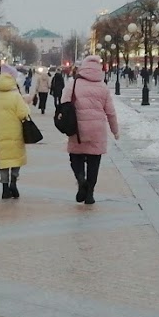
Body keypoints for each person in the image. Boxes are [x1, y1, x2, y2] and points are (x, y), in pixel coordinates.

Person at [64, 54, 120, 206]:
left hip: (77, 129)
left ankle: (81, 179)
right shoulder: (103, 87)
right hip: (97, 130)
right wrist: (115, 130)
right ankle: (90, 194)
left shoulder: (73, 84)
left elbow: (64, 104)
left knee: (75, 157)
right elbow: (111, 112)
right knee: (94, 162)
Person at [0, 72, 32, 199]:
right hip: (16, 132)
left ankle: (5, 188)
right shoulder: (16, 97)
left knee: (4, 161)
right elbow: (23, 114)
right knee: (16, 158)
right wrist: (27, 106)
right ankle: (13, 182)